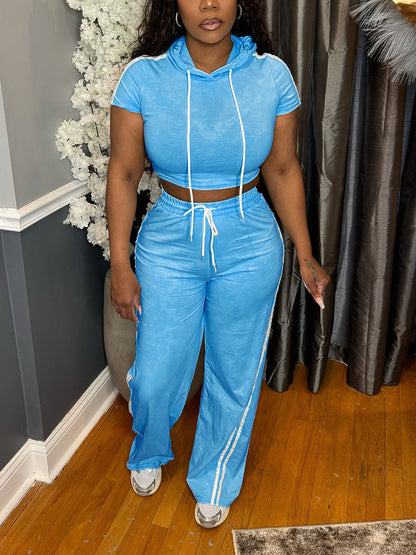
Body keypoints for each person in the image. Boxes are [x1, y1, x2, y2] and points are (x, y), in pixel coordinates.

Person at [106, 0, 330, 529]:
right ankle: (149, 447)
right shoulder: (143, 78)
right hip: (169, 238)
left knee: (234, 372)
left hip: (248, 238)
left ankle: (215, 477)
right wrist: (120, 262)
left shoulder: (270, 76)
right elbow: (123, 172)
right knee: (155, 373)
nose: (209, 4)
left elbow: (282, 167)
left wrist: (305, 254)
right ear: (174, 6)